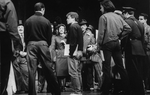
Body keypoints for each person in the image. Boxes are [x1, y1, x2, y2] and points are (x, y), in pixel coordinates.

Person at [24, 2, 60, 95]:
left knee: (31, 70)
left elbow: (25, 36)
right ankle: (55, 92)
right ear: (43, 9)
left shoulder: (28, 21)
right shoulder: (46, 21)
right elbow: (49, 37)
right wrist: (45, 45)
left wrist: (29, 43)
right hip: (43, 44)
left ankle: (32, 93)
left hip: (31, 44)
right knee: (48, 69)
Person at [97, 0, 131, 95]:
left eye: (101, 7)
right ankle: (128, 89)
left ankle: (106, 91)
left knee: (107, 68)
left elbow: (101, 33)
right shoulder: (118, 17)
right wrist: (120, 36)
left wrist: (98, 45)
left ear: (105, 7)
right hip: (116, 43)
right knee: (120, 67)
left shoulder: (103, 17)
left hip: (107, 44)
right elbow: (128, 28)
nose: (100, 9)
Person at [122, 7, 146, 95]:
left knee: (132, 71)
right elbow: (143, 37)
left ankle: (134, 91)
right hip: (140, 48)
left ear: (126, 13)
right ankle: (140, 91)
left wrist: (122, 47)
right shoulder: (139, 23)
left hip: (131, 48)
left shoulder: (128, 22)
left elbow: (125, 36)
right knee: (139, 71)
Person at [0, 0, 23, 95]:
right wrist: (18, 42)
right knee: (3, 66)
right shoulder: (6, 2)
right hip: (2, 36)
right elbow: (11, 24)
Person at [66, 12, 83, 95]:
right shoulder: (78, 27)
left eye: (68, 18)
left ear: (73, 18)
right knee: (77, 72)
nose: (67, 19)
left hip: (74, 52)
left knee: (73, 72)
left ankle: (77, 91)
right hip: (78, 51)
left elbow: (73, 42)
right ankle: (79, 90)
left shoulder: (73, 27)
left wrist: (71, 53)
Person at [50, 23, 68, 91]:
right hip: (58, 55)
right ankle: (59, 86)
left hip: (65, 55)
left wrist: (65, 43)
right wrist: (53, 56)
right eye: (60, 28)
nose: (61, 30)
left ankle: (63, 86)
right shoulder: (55, 37)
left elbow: (69, 46)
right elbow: (52, 47)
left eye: (62, 29)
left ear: (64, 30)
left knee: (64, 71)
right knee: (58, 71)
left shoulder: (67, 37)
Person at [139, 13, 150, 91]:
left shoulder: (148, 28)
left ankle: (147, 86)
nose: (139, 20)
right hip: (141, 51)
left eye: (141, 19)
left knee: (147, 69)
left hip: (147, 51)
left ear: (145, 20)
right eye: (139, 19)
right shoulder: (139, 28)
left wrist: (147, 49)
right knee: (141, 68)